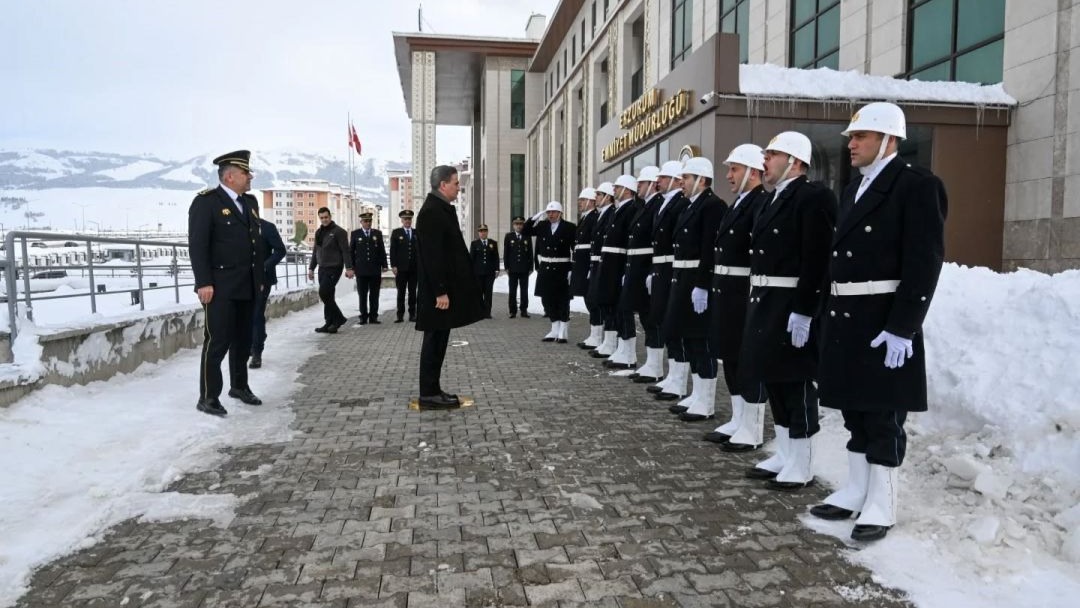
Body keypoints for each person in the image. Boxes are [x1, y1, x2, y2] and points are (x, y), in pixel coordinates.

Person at [810, 102, 947, 541]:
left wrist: (903, 327)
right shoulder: (854, 188)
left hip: (882, 319)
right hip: (846, 318)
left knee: (883, 415)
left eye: (860, 136)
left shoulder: (916, 185)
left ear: (888, 139)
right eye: (851, 137)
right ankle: (856, 489)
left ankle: (882, 502)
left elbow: (925, 262)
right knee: (855, 411)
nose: (851, 144)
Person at [740, 131, 837, 491]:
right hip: (767, 300)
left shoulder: (813, 197)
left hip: (791, 303)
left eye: (772, 154)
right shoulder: (771, 199)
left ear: (794, 161)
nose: (764, 160)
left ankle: (803, 461)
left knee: (796, 382)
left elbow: (818, 259)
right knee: (774, 378)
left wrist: (806, 310)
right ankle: (785, 452)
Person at [187, 150, 265, 417]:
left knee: (243, 340)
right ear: (230, 176)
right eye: (245, 173)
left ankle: (239, 387)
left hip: (247, 285)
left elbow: (254, 245)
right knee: (218, 341)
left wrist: (259, 280)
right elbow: (198, 245)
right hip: (219, 286)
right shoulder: (206, 202)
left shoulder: (250, 202)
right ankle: (208, 397)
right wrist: (203, 282)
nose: (250, 177)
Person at [703, 144, 771, 450]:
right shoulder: (738, 204)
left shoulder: (761, 203)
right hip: (727, 292)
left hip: (744, 293)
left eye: (735, 169)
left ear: (753, 172)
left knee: (747, 362)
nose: (729, 175)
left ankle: (752, 428)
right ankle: (738, 418)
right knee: (730, 356)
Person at [661, 157, 728, 422]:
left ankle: (706, 401)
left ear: (701, 180)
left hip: (697, 280)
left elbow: (710, 249)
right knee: (689, 337)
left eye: (686, 178)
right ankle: (697, 393)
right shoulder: (692, 206)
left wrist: (703, 284)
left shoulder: (713, 206)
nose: (682, 183)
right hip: (683, 279)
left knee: (701, 340)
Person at [415, 165, 485, 409]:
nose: (458, 188)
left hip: (441, 291)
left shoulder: (440, 209)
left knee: (439, 340)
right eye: (455, 183)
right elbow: (432, 256)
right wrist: (440, 291)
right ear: (443, 185)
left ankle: (433, 389)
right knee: (434, 341)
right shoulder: (431, 212)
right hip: (437, 294)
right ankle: (428, 394)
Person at [646, 161, 691, 397]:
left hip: (672, 268)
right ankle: (672, 376)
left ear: (674, 179)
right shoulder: (665, 203)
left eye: (662, 178)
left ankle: (679, 381)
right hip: (662, 268)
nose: (658, 182)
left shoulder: (680, 203)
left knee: (674, 326)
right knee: (665, 322)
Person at [621, 166, 664, 381]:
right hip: (637, 268)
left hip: (647, 267)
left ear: (652, 184)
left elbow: (656, 243)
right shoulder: (646, 206)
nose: (638, 186)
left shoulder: (657, 204)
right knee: (646, 318)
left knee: (651, 318)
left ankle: (656, 366)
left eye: (641, 183)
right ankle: (651, 362)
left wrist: (651, 272)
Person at [594, 174, 641, 368]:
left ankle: (629, 353)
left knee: (623, 310)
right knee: (613, 308)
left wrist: (624, 270)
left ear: (628, 190)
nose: (614, 191)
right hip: (610, 265)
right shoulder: (619, 209)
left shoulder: (631, 208)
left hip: (619, 264)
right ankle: (621, 348)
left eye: (618, 187)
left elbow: (628, 242)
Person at [522, 202, 576, 342]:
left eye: (553, 212)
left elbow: (574, 249)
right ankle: (554, 328)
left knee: (562, 300)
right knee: (547, 299)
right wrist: (534, 218)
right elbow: (525, 231)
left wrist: (572, 268)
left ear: (560, 213)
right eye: (548, 212)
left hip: (562, 267)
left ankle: (563, 330)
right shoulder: (542, 226)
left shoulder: (569, 227)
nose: (550, 215)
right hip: (546, 267)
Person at [307, 207, 353, 334]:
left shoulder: (339, 232)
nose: (324, 220)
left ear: (330, 217)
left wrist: (349, 268)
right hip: (322, 268)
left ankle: (339, 318)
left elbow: (345, 251)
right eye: (321, 218)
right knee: (328, 295)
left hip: (334, 267)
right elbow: (315, 251)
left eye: (326, 217)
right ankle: (330, 323)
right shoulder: (318, 232)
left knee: (324, 293)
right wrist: (311, 268)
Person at [249, 217, 286, 369]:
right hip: (242, 278)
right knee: (245, 315)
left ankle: (256, 352)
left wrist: (264, 266)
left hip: (263, 278)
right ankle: (254, 341)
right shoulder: (238, 224)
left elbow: (280, 250)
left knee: (256, 314)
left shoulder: (267, 227)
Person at [585, 182, 617, 355]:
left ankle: (610, 342)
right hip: (597, 262)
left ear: (607, 197)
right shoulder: (603, 214)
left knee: (607, 304)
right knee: (597, 301)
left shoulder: (611, 213)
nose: (595, 197)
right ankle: (605, 340)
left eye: (599, 194)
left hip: (605, 263)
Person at [570, 188, 600, 348]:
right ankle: (594, 334)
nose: (579, 203)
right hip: (581, 264)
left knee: (593, 301)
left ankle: (597, 336)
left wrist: (590, 267)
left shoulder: (594, 217)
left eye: (582, 200)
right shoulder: (585, 218)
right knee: (588, 300)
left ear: (591, 201)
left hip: (588, 263)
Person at [351, 211, 388, 324]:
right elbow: (351, 252)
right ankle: (363, 316)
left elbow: (381, 250)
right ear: (361, 222)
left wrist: (384, 265)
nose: (368, 223)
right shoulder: (355, 234)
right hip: (361, 270)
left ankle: (373, 316)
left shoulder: (377, 233)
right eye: (365, 221)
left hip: (374, 269)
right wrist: (351, 267)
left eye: (369, 221)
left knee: (374, 295)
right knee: (362, 295)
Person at [389, 209, 418, 323]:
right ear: (402, 220)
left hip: (414, 268)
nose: (407, 221)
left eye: (409, 219)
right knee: (401, 292)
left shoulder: (416, 232)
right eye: (405, 219)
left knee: (412, 292)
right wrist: (394, 265)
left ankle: (412, 314)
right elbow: (393, 250)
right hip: (401, 268)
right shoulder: (397, 232)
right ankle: (400, 315)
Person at [503, 216, 533, 318]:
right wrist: (506, 267)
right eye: (517, 224)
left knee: (524, 290)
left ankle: (524, 310)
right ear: (513, 225)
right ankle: (513, 311)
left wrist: (531, 267)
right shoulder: (509, 236)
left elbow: (530, 253)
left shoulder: (527, 236)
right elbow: (506, 253)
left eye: (520, 224)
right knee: (512, 291)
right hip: (512, 269)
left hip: (524, 269)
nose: (519, 226)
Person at [470, 225, 499, 319]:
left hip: (489, 273)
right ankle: (479, 312)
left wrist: (497, 269)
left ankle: (487, 313)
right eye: (481, 231)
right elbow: (472, 258)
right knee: (478, 293)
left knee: (488, 293)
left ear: (487, 232)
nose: (483, 233)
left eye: (485, 231)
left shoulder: (493, 243)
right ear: (478, 233)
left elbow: (496, 257)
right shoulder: (474, 244)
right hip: (478, 273)